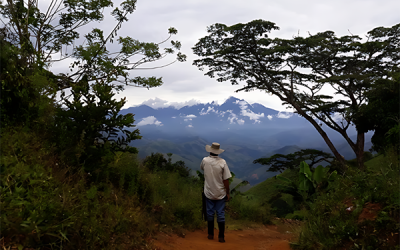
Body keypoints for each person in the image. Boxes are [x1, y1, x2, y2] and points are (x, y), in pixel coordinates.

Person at [200, 142, 232, 243]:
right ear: (218, 152)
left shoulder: (205, 160)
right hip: (220, 193)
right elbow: (226, 180)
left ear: (210, 150)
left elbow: (202, 168)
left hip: (208, 192)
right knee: (220, 214)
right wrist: (227, 193)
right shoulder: (223, 162)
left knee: (210, 213)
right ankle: (221, 236)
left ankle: (210, 234)